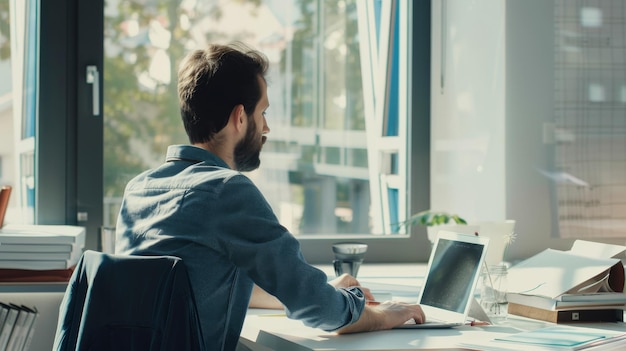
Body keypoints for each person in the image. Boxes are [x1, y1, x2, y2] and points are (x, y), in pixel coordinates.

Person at [115, 42, 425, 351]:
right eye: (262, 112)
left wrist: (314, 293)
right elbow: (321, 311)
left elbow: (200, 285)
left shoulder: (140, 190)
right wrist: (381, 315)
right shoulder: (226, 191)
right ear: (240, 117)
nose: (266, 127)